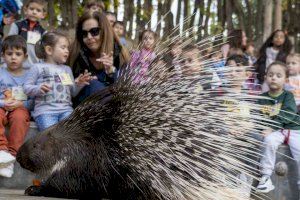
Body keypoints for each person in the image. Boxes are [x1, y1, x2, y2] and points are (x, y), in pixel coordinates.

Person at [24, 31, 95, 131]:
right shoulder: (37, 68)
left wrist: (79, 84)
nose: (67, 51)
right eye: (63, 47)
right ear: (49, 50)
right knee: (51, 136)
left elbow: (73, 93)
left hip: (66, 111)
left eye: (67, 48)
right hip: (45, 112)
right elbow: (26, 88)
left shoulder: (67, 69)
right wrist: (37, 89)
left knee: (72, 133)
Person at [68, 12, 130, 107]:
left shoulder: (120, 54)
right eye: (84, 33)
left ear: (105, 31)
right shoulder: (73, 54)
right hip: (82, 108)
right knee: (93, 85)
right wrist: (77, 83)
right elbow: (65, 87)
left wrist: (111, 71)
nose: (89, 37)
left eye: (94, 31)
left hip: (114, 107)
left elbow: (125, 88)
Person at [256, 61, 300, 193]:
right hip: (276, 131)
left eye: (278, 75)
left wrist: (271, 126)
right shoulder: (262, 98)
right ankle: (265, 177)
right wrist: (263, 128)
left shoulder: (288, 96)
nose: (274, 77)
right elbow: (259, 117)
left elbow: (288, 114)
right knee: (268, 141)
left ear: (286, 80)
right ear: (265, 78)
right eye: (270, 75)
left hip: (293, 128)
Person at [0, 35, 31, 178]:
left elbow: (33, 99)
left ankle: (11, 157)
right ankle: (2, 151)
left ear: (24, 57)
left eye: (18, 54)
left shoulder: (30, 75)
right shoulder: (1, 72)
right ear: (3, 55)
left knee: (19, 118)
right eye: (9, 53)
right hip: (1, 105)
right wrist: (3, 103)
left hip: (20, 106)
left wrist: (21, 104)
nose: (13, 57)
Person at [8, 0, 47, 67]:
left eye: (38, 10)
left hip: (35, 66)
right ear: (26, 10)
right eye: (31, 9)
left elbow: (44, 51)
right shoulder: (17, 25)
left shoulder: (43, 32)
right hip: (17, 65)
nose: (34, 12)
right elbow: (8, 44)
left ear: (43, 15)